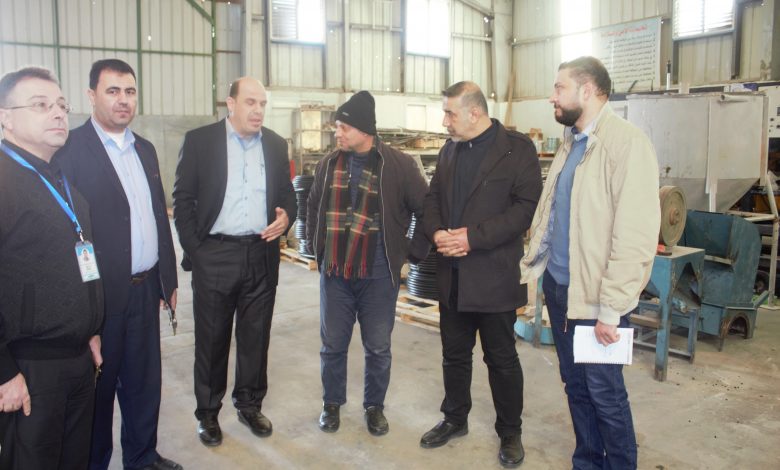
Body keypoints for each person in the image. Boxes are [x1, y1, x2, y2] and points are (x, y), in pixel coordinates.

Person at [520, 56, 660, 469]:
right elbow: (552, 215)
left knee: (605, 394)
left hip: (597, 299)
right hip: (562, 290)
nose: (552, 97)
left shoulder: (627, 144)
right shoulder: (571, 142)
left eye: (559, 88)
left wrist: (612, 309)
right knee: (576, 387)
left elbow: (634, 237)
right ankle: (587, 462)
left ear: (587, 90)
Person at [56, 59, 181, 470]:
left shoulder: (144, 148)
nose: (123, 100)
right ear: (91, 95)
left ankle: (142, 456)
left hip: (144, 290)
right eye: (112, 91)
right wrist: (81, 304)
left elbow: (158, 215)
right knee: (99, 390)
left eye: (129, 91)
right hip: (100, 297)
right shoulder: (70, 151)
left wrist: (167, 278)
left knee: (144, 383)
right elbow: (65, 234)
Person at [419, 81, 542, 468]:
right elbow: (432, 199)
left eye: (450, 113)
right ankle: (455, 418)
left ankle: (510, 432)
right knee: (454, 356)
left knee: (501, 359)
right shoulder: (449, 150)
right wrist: (436, 233)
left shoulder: (517, 150)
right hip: (453, 275)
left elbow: (525, 209)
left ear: (474, 113)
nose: (445, 122)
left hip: (493, 277)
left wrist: (472, 238)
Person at [173, 77, 296, 447]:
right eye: (250, 102)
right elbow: (183, 199)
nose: (258, 111)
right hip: (216, 253)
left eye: (262, 104)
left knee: (256, 336)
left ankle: (249, 404)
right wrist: (198, 251)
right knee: (212, 339)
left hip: (261, 252)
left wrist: (286, 218)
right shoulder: (200, 141)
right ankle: (208, 413)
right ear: (230, 103)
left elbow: (288, 195)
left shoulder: (275, 144)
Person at [305, 91, 429, 436]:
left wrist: (411, 253)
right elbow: (313, 205)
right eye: (337, 127)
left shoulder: (399, 166)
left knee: (377, 347)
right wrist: (318, 249)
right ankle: (332, 403)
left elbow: (426, 209)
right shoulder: (328, 164)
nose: (337, 133)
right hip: (335, 275)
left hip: (378, 276)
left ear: (364, 130)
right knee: (332, 345)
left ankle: (374, 407)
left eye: (343, 127)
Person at [0, 67, 103, 469]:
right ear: (5, 118)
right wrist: (4, 372)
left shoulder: (59, 181)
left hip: (77, 358)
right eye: (40, 105)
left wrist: (91, 329)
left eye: (61, 105)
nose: (58, 113)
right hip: (30, 368)